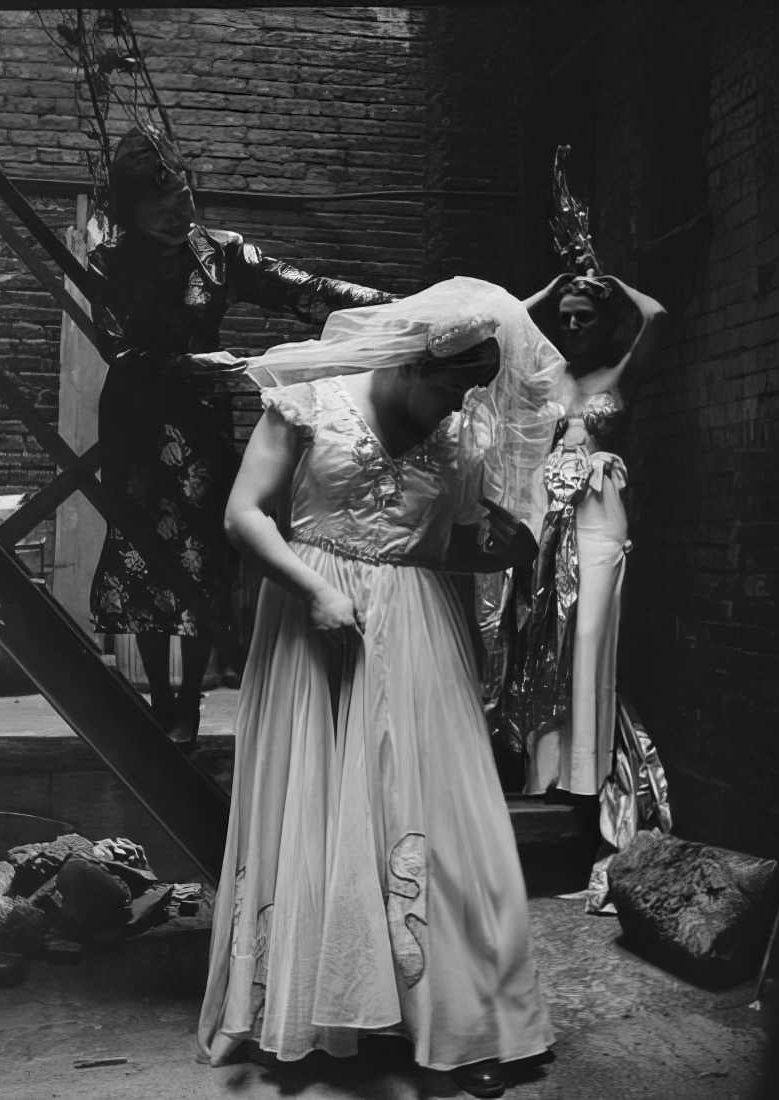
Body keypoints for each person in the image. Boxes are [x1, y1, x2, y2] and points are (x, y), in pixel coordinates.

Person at [197, 278, 562, 1098]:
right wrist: (316, 591)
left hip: (420, 628)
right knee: (324, 806)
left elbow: (449, 546)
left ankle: (465, 1019)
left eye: (472, 390)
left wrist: (507, 549)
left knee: (439, 811)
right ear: (409, 360)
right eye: (450, 385)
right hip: (311, 616)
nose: (457, 404)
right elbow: (244, 515)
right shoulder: (308, 405)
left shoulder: (459, 436)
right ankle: (322, 1010)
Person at [87, 126, 396, 746]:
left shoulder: (223, 253)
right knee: (144, 552)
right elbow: (115, 351)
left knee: (201, 559)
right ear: (131, 211)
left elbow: (306, 290)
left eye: (184, 197)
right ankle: (160, 692)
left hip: (200, 426)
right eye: (160, 206)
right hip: (138, 423)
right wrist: (190, 363)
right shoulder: (107, 263)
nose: (178, 213)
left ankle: (189, 701)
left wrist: (395, 306)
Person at [498, 272, 665, 796]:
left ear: (605, 322)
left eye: (584, 316)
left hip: (598, 512)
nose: (571, 324)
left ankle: (587, 774)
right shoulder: (544, 374)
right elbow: (498, 328)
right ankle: (545, 773)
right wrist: (548, 291)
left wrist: (614, 283)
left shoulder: (621, 374)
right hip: (546, 514)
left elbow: (656, 314)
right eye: (565, 316)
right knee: (545, 635)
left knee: (588, 632)